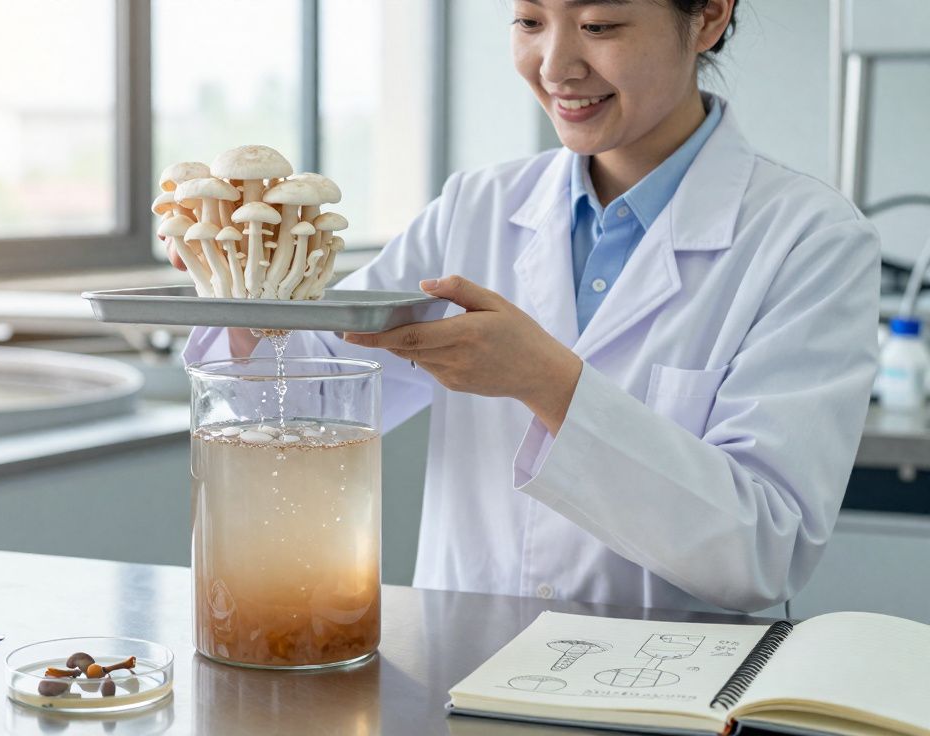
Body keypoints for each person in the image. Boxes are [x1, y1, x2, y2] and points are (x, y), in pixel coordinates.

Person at [176, 0, 879, 614]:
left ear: (709, 16)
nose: (556, 64)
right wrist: (244, 291)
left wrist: (547, 382)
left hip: (667, 692)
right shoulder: (476, 208)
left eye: (600, 24)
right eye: (529, 21)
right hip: (459, 667)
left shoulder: (808, 240)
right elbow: (315, 400)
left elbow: (763, 551)